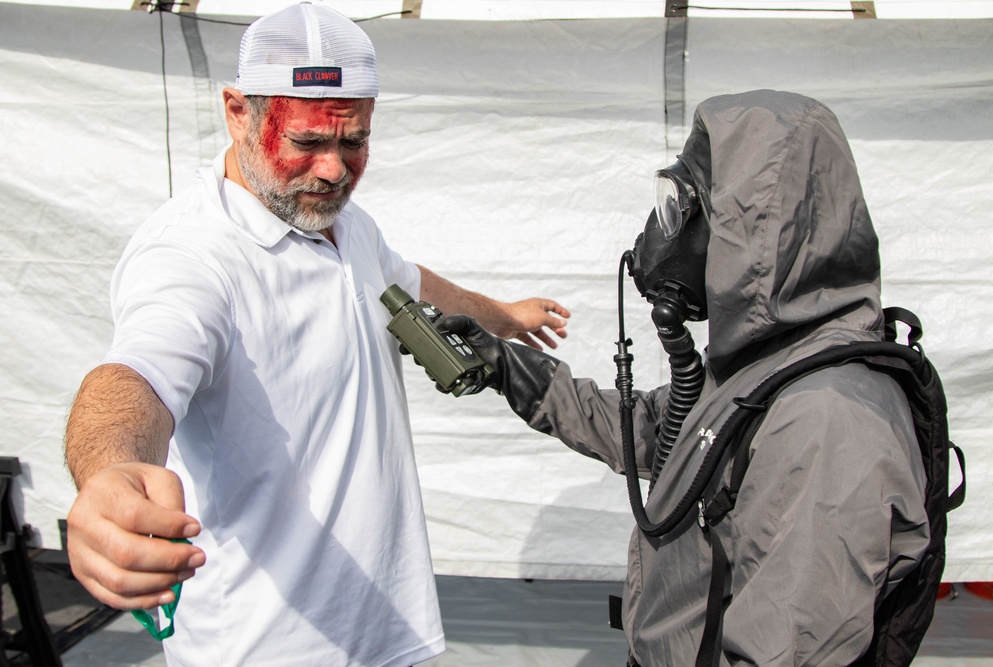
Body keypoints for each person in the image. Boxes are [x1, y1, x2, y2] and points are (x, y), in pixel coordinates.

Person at [62, 4, 569, 666]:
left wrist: (503, 313)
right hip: (265, 648)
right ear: (238, 111)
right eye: (305, 143)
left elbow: (409, 281)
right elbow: (135, 378)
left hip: (389, 630)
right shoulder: (190, 255)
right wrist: (108, 473)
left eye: (353, 141)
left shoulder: (343, 224)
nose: (333, 170)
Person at [438, 90, 930, 665]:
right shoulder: (768, 367)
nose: (664, 232)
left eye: (683, 207)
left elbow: (789, 651)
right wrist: (505, 365)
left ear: (755, 231)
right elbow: (653, 427)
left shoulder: (827, 416)